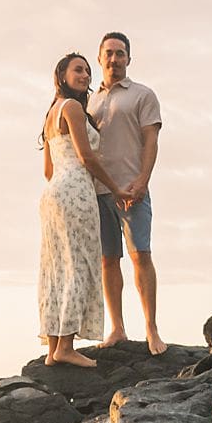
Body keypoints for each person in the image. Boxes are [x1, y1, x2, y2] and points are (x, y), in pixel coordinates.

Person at [38, 52, 129, 368]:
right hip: (76, 188)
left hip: (53, 193)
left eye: (88, 71)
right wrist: (116, 189)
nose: (85, 75)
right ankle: (66, 345)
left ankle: (53, 349)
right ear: (62, 74)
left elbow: (48, 169)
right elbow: (87, 157)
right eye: (78, 70)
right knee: (78, 264)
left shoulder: (52, 112)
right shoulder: (74, 107)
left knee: (56, 268)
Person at [87, 31, 165, 353]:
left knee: (140, 256)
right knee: (108, 260)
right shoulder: (88, 100)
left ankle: (151, 328)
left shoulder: (142, 95)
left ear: (129, 59)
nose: (114, 59)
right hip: (99, 192)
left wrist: (143, 180)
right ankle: (117, 328)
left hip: (132, 190)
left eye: (120, 54)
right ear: (100, 58)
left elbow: (151, 141)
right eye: (109, 53)